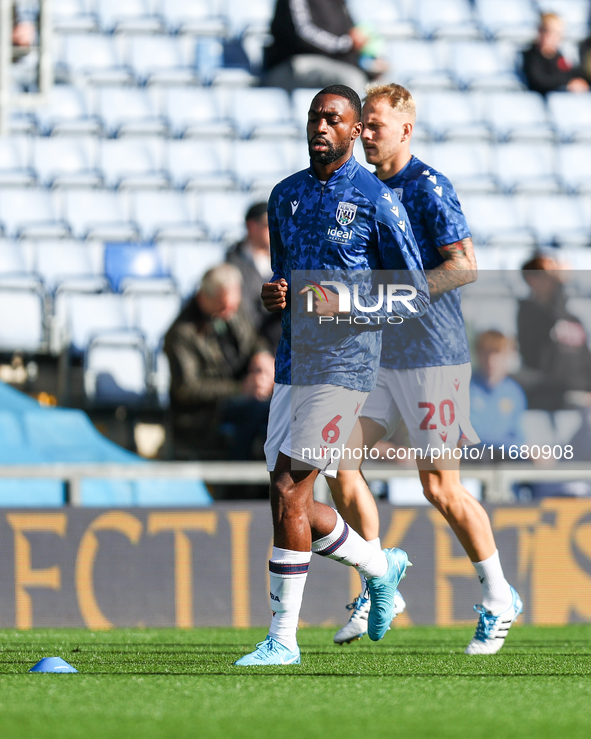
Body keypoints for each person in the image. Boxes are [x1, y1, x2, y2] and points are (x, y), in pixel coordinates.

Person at [234, 84, 429, 666]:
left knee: (294, 491)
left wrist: (339, 303)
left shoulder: (374, 198)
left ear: (352, 132)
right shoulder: (285, 196)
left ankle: (283, 640)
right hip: (295, 362)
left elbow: (415, 294)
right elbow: (289, 286)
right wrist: (276, 297)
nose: (322, 126)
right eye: (316, 116)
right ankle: (380, 565)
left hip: (346, 366)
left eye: (335, 119)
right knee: (284, 498)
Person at [327, 83, 523, 655]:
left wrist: (400, 298)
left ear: (405, 130)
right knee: (337, 457)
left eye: (375, 126)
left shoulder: (429, 187)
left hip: (434, 359)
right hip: (382, 359)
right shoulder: (357, 189)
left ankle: (498, 596)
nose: (363, 134)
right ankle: (379, 577)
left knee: (440, 488)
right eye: (361, 125)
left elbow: (463, 266)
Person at [163, 264, 274, 461]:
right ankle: (240, 482)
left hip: (239, 396)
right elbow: (188, 388)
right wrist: (240, 389)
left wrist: (261, 356)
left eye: (233, 306)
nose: (229, 313)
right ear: (204, 297)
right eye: (224, 307)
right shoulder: (181, 334)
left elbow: (253, 340)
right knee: (259, 411)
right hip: (203, 415)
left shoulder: (231, 311)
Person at [517, 254, 591, 411]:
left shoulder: (574, 319)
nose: (553, 282)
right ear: (532, 280)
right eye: (548, 276)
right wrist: (561, 284)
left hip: (581, 397)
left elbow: (585, 359)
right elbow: (551, 318)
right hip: (548, 398)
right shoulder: (529, 314)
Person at [263, 0, 376, 93]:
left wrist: (369, 65)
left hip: (333, 63)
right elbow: (303, 33)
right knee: (350, 80)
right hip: (292, 65)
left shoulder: (340, 3)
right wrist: (347, 43)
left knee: (378, 88)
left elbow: (350, 36)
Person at [226, 201, 281, 351]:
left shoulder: (285, 259)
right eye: (268, 224)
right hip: (251, 345)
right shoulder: (233, 265)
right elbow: (243, 312)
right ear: (251, 226)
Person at [470, 331, 527, 452]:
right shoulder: (465, 388)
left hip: (506, 456)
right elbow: (472, 437)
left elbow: (518, 433)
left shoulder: (514, 392)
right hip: (474, 458)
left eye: (497, 354)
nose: (491, 360)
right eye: (486, 354)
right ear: (478, 355)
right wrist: (514, 446)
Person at [522, 12, 589, 95]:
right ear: (540, 31)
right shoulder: (531, 57)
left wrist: (579, 81)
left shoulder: (559, 57)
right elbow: (539, 81)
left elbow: (571, 73)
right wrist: (567, 85)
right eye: (549, 32)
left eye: (558, 34)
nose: (554, 37)